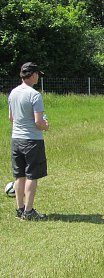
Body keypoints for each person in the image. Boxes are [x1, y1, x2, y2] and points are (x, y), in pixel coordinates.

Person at [8, 62, 49, 220]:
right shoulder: (34, 95)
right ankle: (29, 211)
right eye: (37, 74)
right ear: (33, 75)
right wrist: (45, 126)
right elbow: (39, 122)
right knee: (32, 176)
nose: (38, 77)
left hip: (16, 139)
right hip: (32, 140)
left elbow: (11, 118)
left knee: (19, 176)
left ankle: (20, 208)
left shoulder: (13, 93)